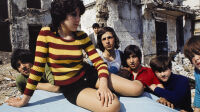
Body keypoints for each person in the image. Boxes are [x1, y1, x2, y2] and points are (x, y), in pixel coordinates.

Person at [6, 0, 143, 111]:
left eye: (79, 15)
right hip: (72, 87)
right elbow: (38, 68)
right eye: (74, 15)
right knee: (113, 106)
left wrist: (103, 85)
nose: (78, 19)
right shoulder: (45, 34)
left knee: (137, 89)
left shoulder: (81, 36)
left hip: (90, 74)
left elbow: (99, 62)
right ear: (60, 15)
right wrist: (24, 100)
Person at [184, 36, 200, 112]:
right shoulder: (197, 72)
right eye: (192, 56)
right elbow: (198, 92)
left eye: (198, 53)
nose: (196, 58)